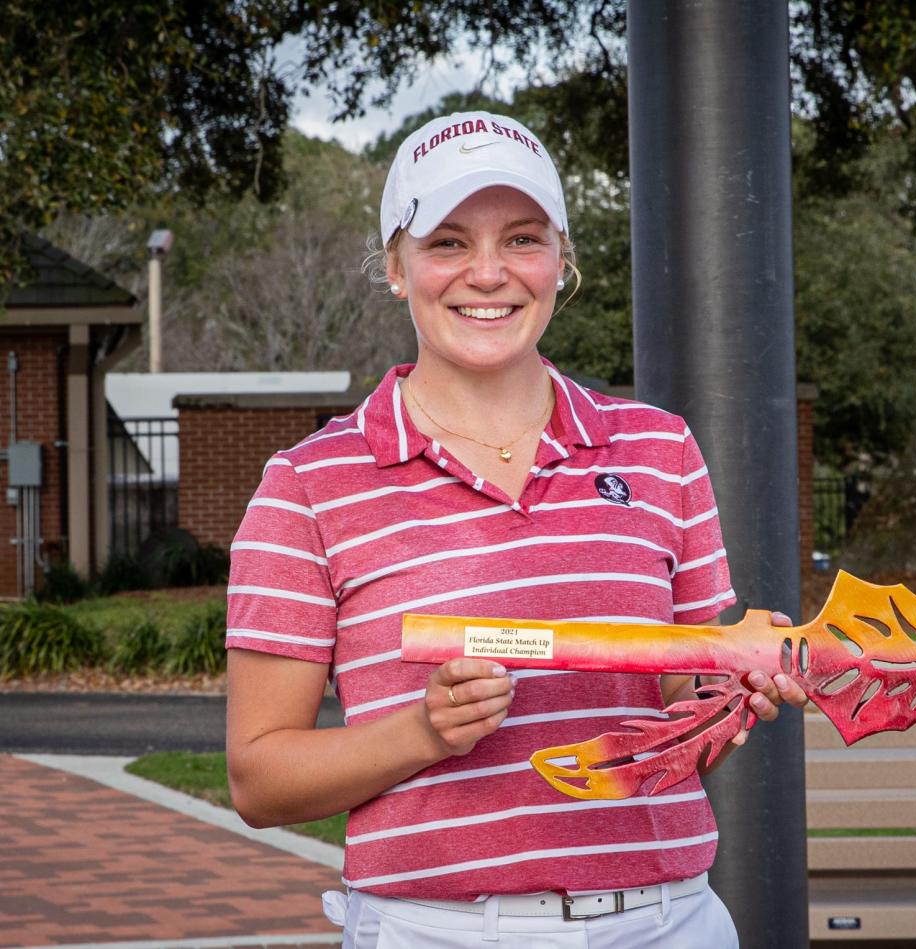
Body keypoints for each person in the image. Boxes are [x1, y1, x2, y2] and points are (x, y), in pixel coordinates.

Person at [225, 111, 807, 949]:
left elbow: (683, 715)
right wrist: (421, 733)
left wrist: (732, 692)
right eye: (450, 242)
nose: (489, 273)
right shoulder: (307, 485)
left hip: (668, 922)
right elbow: (258, 779)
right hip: (439, 932)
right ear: (396, 266)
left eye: (523, 239)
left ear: (561, 261)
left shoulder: (659, 448)